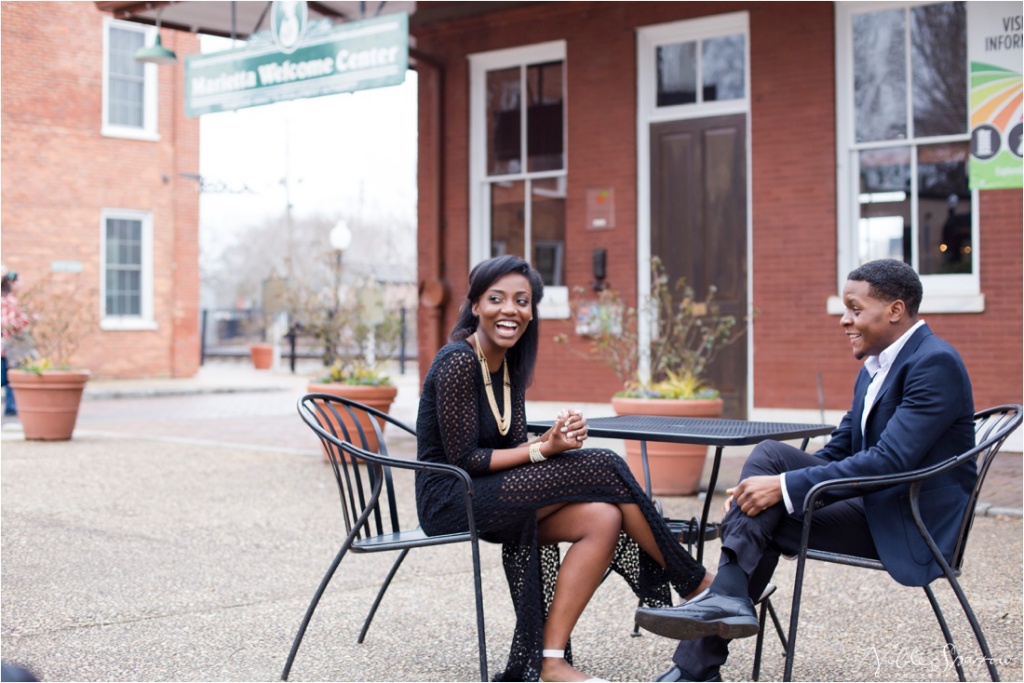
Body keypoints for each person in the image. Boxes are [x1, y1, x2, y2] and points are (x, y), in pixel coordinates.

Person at [635, 259, 976, 682]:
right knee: (767, 481)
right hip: (876, 506)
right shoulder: (875, 369)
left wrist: (781, 486)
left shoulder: (933, 363)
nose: (843, 319)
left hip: (910, 523)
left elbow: (891, 460)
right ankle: (713, 629)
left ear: (895, 310)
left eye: (854, 307)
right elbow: (837, 452)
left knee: (771, 478)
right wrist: (769, 490)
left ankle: (705, 643)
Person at [415, 255, 712, 682]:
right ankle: (694, 582)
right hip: (450, 498)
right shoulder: (459, 361)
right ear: (476, 305)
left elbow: (515, 442)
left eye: (522, 300)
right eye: (496, 298)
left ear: (532, 311)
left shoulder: (508, 364)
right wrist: (542, 450)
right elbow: (465, 459)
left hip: (491, 491)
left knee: (603, 517)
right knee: (606, 464)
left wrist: (553, 441)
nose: (510, 310)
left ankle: (550, 662)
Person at [1, 270, 33, 417]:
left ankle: (11, 406)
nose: (21, 285)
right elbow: (7, 323)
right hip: (8, 345)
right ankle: (11, 407)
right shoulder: (8, 301)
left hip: (6, 345)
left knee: (8, 376)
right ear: (11, 283)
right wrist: (24, 322)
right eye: (19, 282)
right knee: (9, 376)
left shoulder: (6, 299)